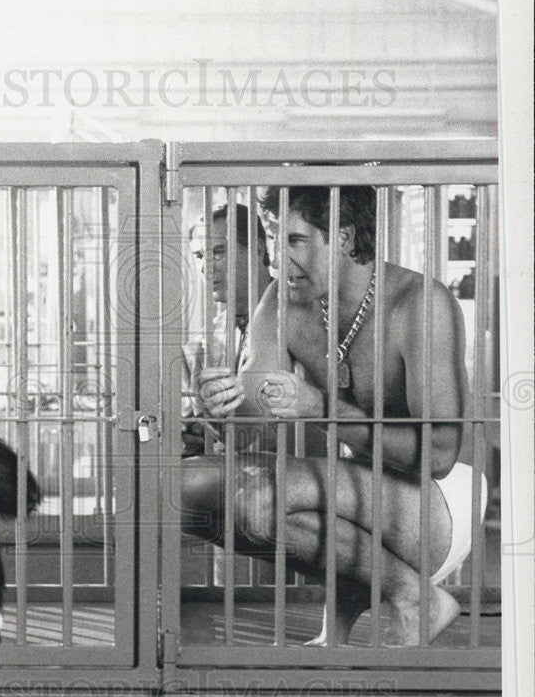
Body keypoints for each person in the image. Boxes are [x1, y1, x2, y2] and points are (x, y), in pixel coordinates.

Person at [182, 185, 485, 646]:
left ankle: (411, 596)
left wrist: (317, 407)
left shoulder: (420, 303)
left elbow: (439, 456)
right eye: (271, 242)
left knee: (255, 498)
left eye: (295, 241)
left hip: (439, 498)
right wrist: (220, 406)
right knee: (184, 489)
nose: (276, 261)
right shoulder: (283, 302)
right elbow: (247, 429)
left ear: (342, 237)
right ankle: (394, 594)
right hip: (356, 486)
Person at [181, 202, 272, 456]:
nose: (205, 268)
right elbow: (205, 433)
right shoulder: (204, 343)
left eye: (217, 252)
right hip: (231, 477)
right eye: (199, 256)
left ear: (257, 249)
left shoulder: (303, 317)